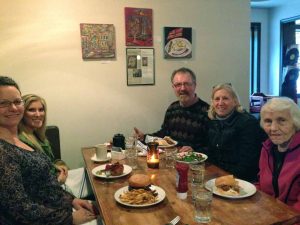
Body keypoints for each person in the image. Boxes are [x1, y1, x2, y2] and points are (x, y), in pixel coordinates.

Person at [0, 76, 98, 224]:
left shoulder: (20, 142)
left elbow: (46, 186)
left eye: (17, 101)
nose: (13, 108)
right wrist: (69, 219)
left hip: (61, 210)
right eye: (3, 103)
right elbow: (19, 209)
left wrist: (72, 200)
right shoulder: (3, 150)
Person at [18, 94, 92, 198]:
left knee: (90, 174)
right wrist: (58, 181)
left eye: (41, 109)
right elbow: (33, 183)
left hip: (57, 179)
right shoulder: (21, 141)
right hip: (51, 191)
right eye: (31, 110)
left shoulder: (38, 135)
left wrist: (59, 165)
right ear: (22, 113)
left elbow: (49, 162)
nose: (38, 114)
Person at [134, 67, 209, 152]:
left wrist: (194, 150)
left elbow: (213, 146)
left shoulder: (208, 112)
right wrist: (144, 137)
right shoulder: (172, 108)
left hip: (195, 162)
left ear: (194, 85)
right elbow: (164, 134)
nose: (182, 88)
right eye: (178, 85)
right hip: (171, 160)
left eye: (187, 84)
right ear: (173, 87)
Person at [206, 83, 266, 182]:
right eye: (217, 99)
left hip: (241, 181)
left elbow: (247, 164)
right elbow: (212, 153)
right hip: (219, 175)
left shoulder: (247, 123)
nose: (220, 103)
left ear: (234, 101)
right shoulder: (213, 121)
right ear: (212, 102)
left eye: (225, 98)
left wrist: (221, 178)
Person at [256, 97, 300, 212]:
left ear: (295, 122)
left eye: (281, 120)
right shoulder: (267, 148)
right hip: (269, 213)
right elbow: (263, 186)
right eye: (268, 121)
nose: (273, 128)